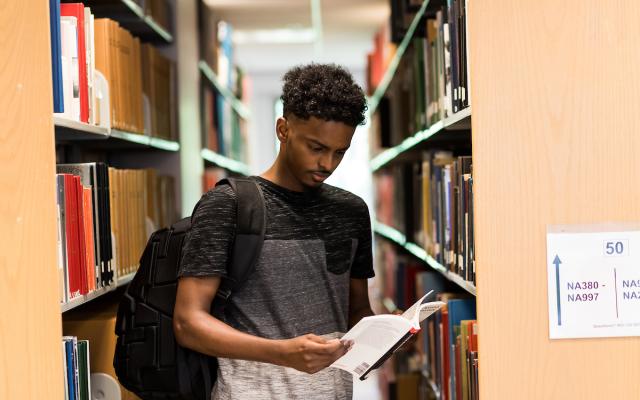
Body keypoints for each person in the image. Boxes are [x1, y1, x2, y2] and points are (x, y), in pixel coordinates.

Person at [173, 63, 374, 400]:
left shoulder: (351, 211)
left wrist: (386, 335)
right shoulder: (229, 205)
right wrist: (283, 353)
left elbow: (357, 312)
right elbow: (188, 323)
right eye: (316, 147)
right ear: (283, 129)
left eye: (340, 152)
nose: (327, 164)